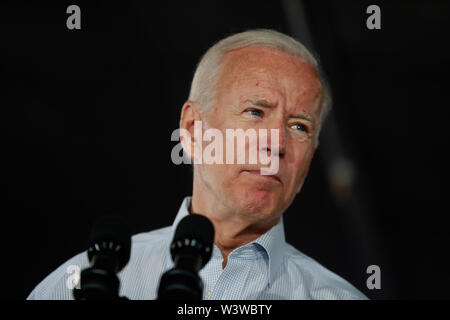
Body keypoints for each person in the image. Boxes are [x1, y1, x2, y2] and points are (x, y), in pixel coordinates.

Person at [28, 29, 367, 300]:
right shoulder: (76, 286)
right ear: (192, 128)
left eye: (299, 127)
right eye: (255, 112)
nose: (277, 143)